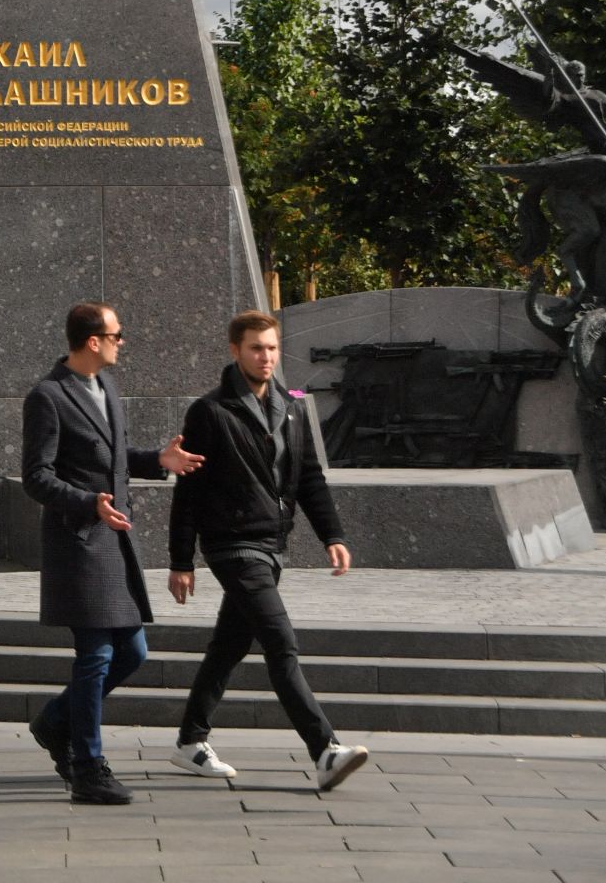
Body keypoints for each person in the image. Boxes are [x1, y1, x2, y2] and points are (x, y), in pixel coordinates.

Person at [166, 309, 369, 793]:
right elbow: (188, 491)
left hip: (270, 544)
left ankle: (189, 742)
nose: (266, 357)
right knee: (280, 642)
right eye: (257, 348)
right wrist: (181, 560)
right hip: (232, 545)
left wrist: (332, 536)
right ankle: (325, 750)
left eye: (273, 348)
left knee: (230, 646)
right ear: (235, 351)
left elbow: (311, 479)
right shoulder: (210, 412)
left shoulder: (292, 408)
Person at [21, 301, 202, 805]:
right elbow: (37, 476)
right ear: (93, 340)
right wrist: (87, 505)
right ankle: (87, 767)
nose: (123, 342)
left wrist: (157, 460)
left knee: (133, 651)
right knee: (97, 655)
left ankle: (57, 722)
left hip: (113, 541)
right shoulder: (48, 396)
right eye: (118, 335)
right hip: (79, 542)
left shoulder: (107, 389)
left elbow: (111, 459)